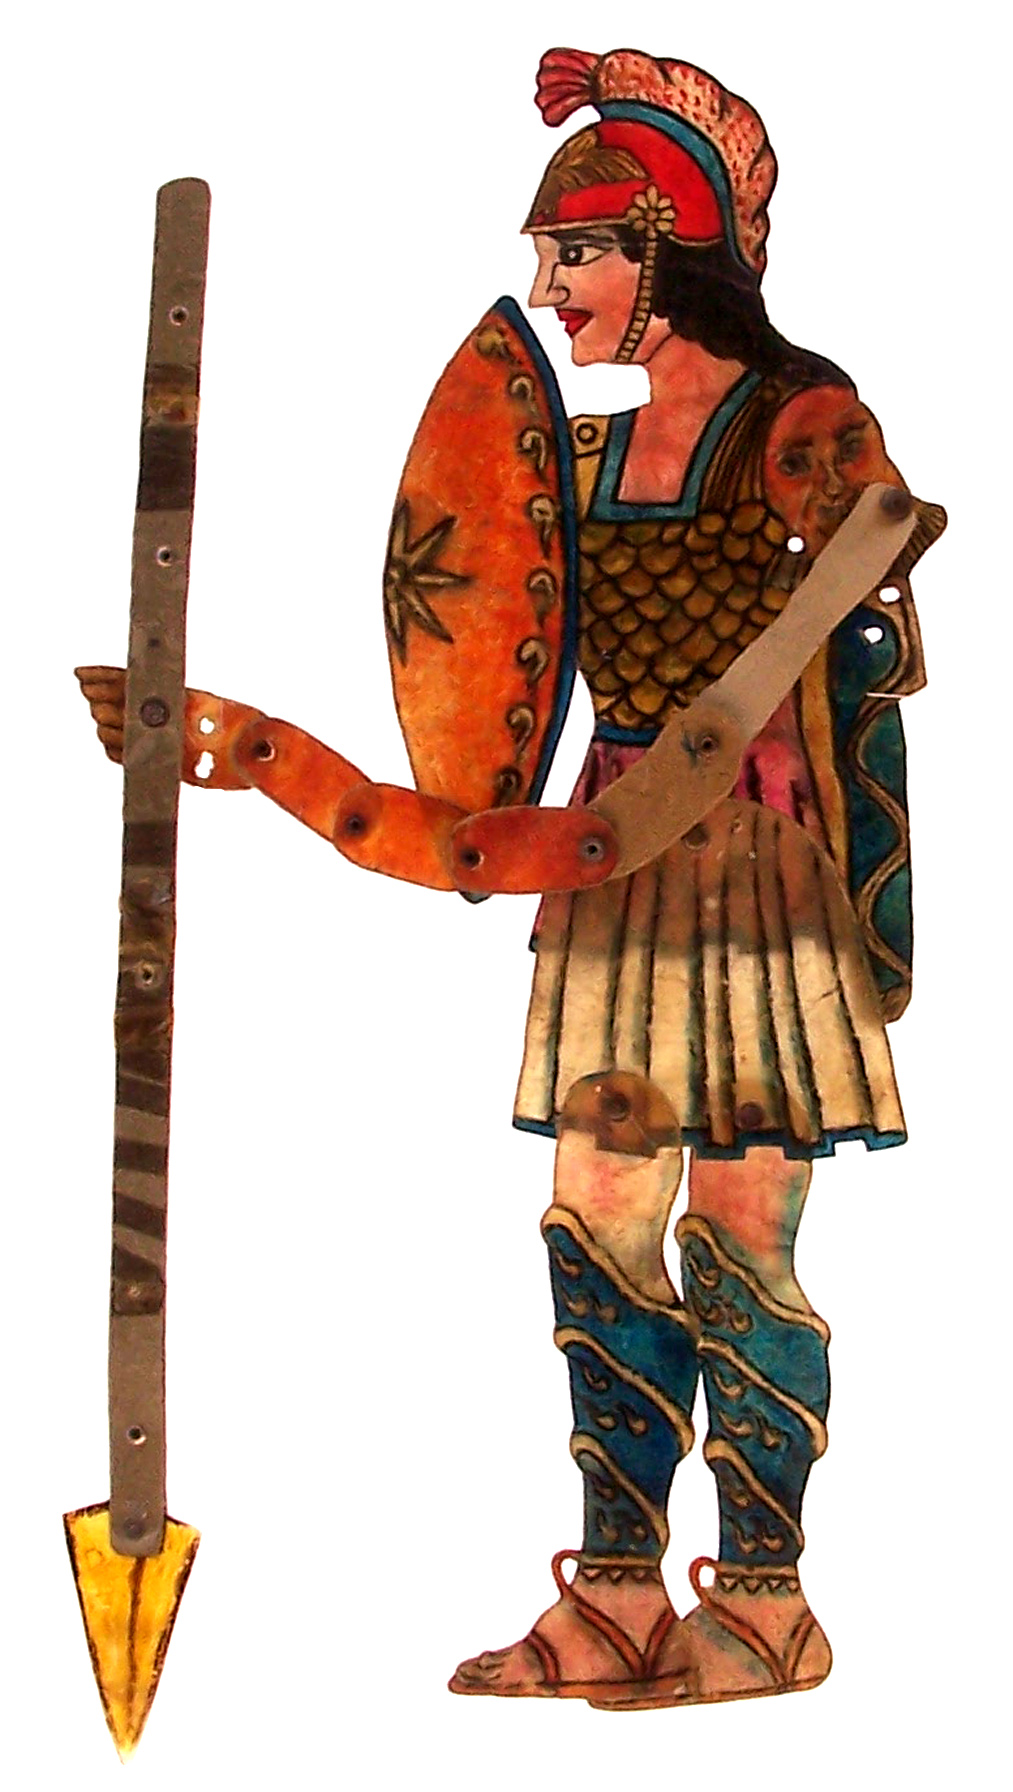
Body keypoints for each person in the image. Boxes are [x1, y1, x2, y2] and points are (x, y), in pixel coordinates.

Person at [78, 45, 943, 1709]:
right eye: (548, 259)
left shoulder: (800, 426)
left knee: (739, 1232)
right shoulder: (586, 463)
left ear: (665, 250)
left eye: (577, 255)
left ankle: (765, 1604)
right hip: (612, 872)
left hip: (757, 867)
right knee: (595, 1224)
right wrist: (255, 748)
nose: (548, 292)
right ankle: (614, 1593)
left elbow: (858, 623)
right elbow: (501, 679)